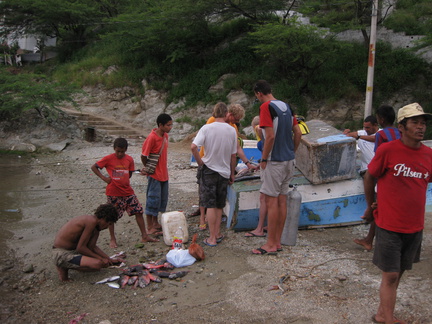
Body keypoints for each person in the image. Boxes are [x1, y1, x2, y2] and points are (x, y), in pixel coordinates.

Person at [363, 102, 432, 324]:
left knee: (399, 272)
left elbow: (422, 184)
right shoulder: (388, 150)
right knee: (390, 274)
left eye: (423, 123)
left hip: (414, 226)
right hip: (389, 224)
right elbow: (369, 176)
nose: (420, 127)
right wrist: (370, 204)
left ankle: (383, 314)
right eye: (415, 123)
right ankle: (388, 319)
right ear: (402, 127)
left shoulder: (429, 155)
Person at [251, 80, 302, 254]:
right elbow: (298, 133)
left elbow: (270, 136)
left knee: (270, 201)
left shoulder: (266, 107)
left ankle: (270, 244)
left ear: (259, 93)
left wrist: (263, 158)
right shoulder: (286, 106)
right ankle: (277, 242)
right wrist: (292, 151)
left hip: (275, 161)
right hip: (289, 160)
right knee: (282, 201)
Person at [195, 103, 256, 231]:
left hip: (221, 164)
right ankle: (202, 218)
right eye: (236, 119)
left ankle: (213, 224)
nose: (236, 122)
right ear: (230, 114)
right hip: (208, 162)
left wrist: (247, 163)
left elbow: (237, 148)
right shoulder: (213, 121)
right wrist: (201, 162)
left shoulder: (233, 127)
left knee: (214, 197)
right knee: (205, 194)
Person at [91, 137, 157, 248]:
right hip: (114, 193)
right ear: (114, 149)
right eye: (118, 151)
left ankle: (144, 235)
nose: (120, 154)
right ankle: (113, 239)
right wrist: (104, 178)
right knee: (111, 216)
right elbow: (94, 167)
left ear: (126, 150)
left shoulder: (129, 159)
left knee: (138, 211)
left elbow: (130, 174)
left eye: (122, 151)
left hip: (128, 192)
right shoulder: (108, 159)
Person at [354, 106, 401, 251]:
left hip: (386, 176)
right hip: (399, 174)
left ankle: (371, 239)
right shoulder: (399, 132)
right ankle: (370, 239)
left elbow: (378, 159)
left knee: (377, 207)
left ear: (380, 120)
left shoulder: (381, 136)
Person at [191, 102, 237, 247]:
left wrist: (200, 163)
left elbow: (193, 147)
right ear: (226, 114)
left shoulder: (206, 128)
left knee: (210, 204)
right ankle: (217, 234)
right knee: (219, 205)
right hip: (224, 171)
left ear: (214, 113)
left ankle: (211, 238)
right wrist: (232, 173)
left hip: (209, 169)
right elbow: (233, 155)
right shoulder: (231, 130)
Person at [52, 203, 123, 282]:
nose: (106, 227)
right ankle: (63, 266)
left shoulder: (96, 228)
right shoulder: (91, 221)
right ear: (104, 218)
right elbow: (81, 248)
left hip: (72, 251)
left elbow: (92, 247)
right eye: (108, 223)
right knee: (97, 264)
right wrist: (101, 258)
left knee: (101, 265)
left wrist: (108, 259)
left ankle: (66, 265)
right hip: (60, 253)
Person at [141, 113, 173, 236]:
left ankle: (155, 223)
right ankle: (149, 226)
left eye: (171, 125)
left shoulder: (165, 136)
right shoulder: (152, 137)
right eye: (168, 125)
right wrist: (149, 169)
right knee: (152, 200)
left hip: (164, 174)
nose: (170, 127)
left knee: (160, 200)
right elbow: (144, 155)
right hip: (155, 175)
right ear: (160, 125)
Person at [245, 116, 267, 238]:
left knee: (264, 197)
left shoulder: (262, 133)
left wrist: (263, 161)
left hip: (269, 167)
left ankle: (260, 228)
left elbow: (265, 148)